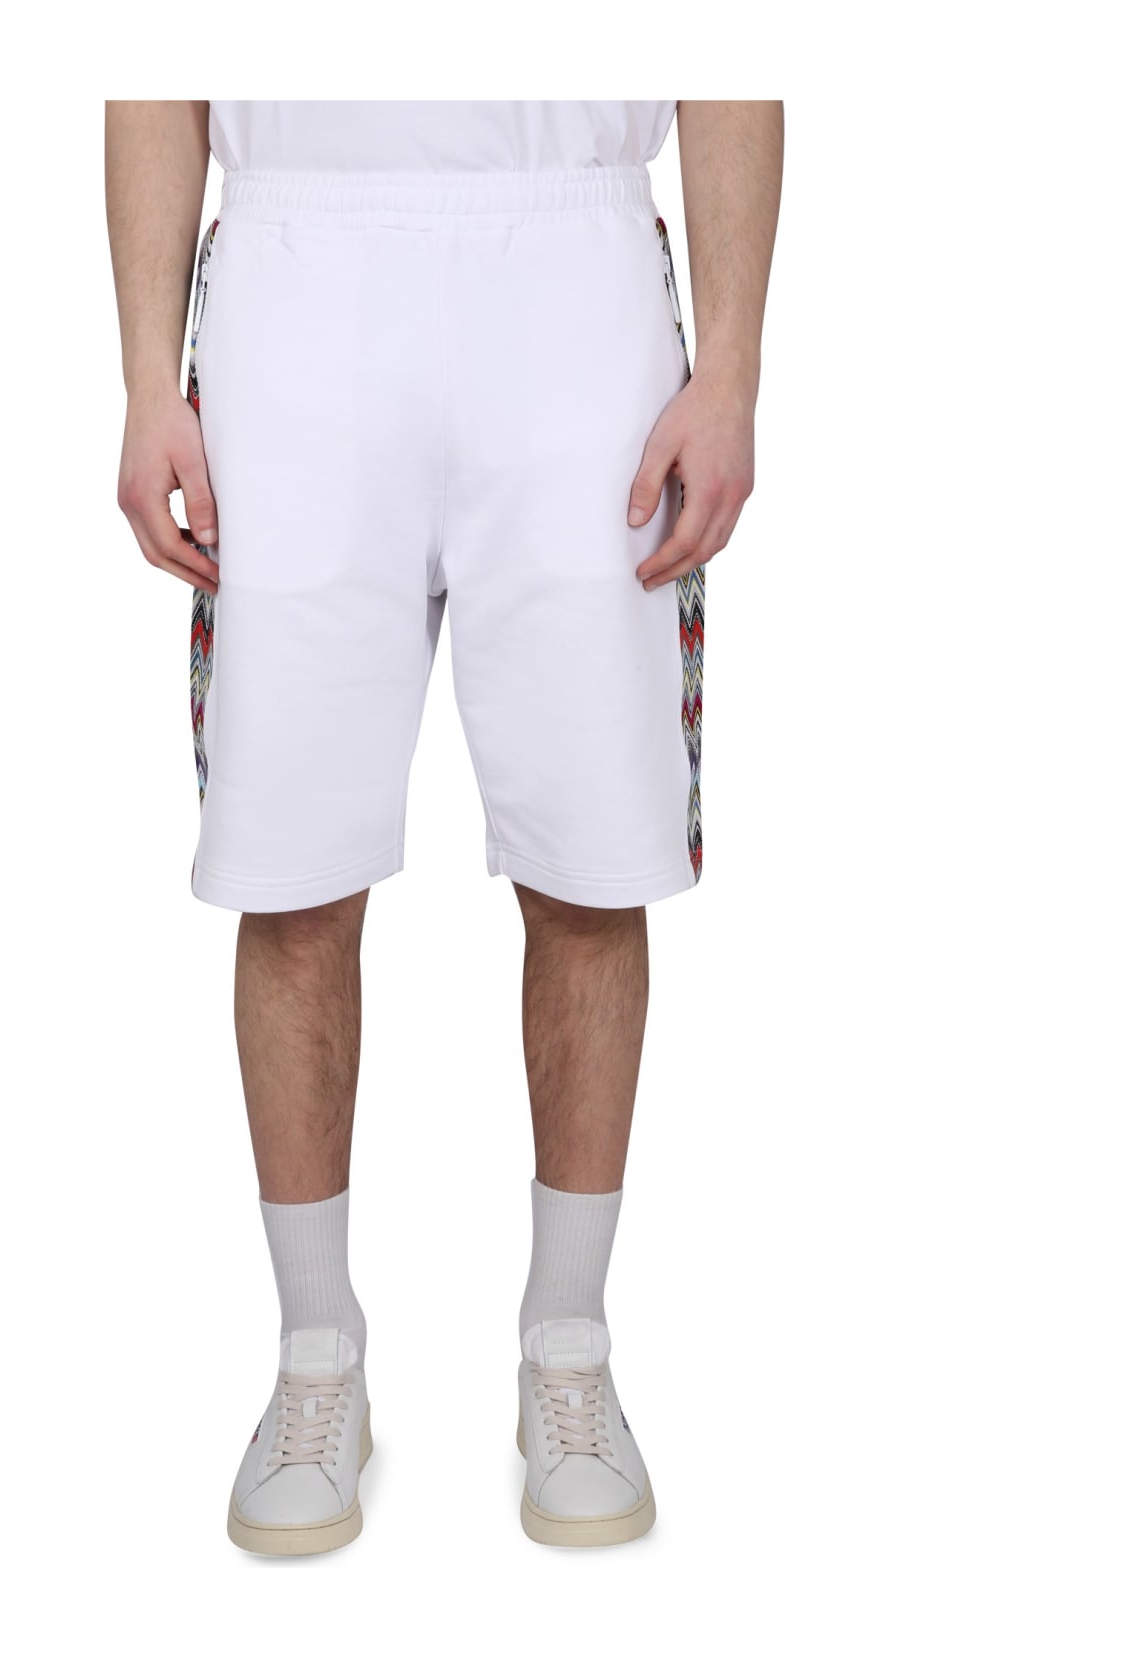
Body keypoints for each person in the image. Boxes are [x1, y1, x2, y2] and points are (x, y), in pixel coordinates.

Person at [105, 98, 783, 1556]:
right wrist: (147, 378)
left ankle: (568, 1349)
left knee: (594, 861)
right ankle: (315, 1361)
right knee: (290, 870)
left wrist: (730, 364)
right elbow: (152, 67)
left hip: (573, 266)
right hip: (297, 265)